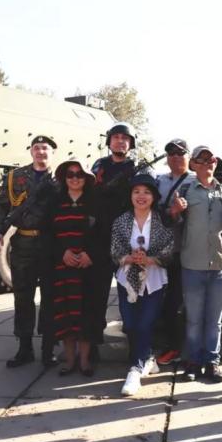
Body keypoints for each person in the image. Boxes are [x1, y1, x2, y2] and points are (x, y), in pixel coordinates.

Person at [0, 135, 59, 368]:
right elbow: (0, 205)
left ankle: (48, 348)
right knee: (23, 297)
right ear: (31, 152)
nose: (41, 152)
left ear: (53, 152)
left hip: (51, 245)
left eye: (45, 148)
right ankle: (24, 348)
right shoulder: (15, 177)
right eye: (37, 148)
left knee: (51, 298)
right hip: (23, 245)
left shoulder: (62, 177)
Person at [170, 145, 222, 383]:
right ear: (194, 164)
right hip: (193, 263)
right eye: (202, 159)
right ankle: (193, 362)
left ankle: (212, 362)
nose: (208, 163)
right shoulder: (186, 190)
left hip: (219, 264)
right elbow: (173, 221)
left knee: (214, 320)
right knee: (194, 318)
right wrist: (176, 211)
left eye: (211, 159)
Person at [112, 174, 174, 396]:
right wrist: (128, 258)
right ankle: (148, 359)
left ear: (154, 197)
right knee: (130, 324)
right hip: (126, 279)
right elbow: (114, 248)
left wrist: (151, 259)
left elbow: (170, 246)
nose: (141, 196)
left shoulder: (161, 220)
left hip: (154, 280)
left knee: (145, 324)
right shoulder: (121, 221)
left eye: (146, 192)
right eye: (136, 191)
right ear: (130, 195)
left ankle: (135, 370)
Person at [90, 122, 139, 361]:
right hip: (100, 238)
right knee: (96, 294)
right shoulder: (99, 167)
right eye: (116, 137)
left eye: (125, 138)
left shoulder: (137, 169)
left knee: (130, 294)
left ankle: (134, 346)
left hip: (125, 239)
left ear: (130, 144)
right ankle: (93, 344)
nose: (120, 141)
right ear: (109, 141)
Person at [48, 160, 99, 376]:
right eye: (70, 174)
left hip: (87, 269)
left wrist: (90, 254)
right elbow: (48, 233)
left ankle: (85, 361)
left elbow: (103, 232)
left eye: (79, 174)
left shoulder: (95, 203)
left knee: (86, 315)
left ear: (86, 178)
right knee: (65, 315)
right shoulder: (55, 203)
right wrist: (62, 252)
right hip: (63, 269)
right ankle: (69, 360)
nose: (75, 178)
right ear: (64, 178)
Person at [155, 138, 195, 366]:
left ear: (188, 157)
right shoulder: (160, 181)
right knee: (161, 301)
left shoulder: (194, 181)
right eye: (171, 154)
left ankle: (179, 348)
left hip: (184, 250)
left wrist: (176, 212)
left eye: (181, 153)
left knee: (179, 303)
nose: (176, 157)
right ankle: (168, 343)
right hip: (161, 250)